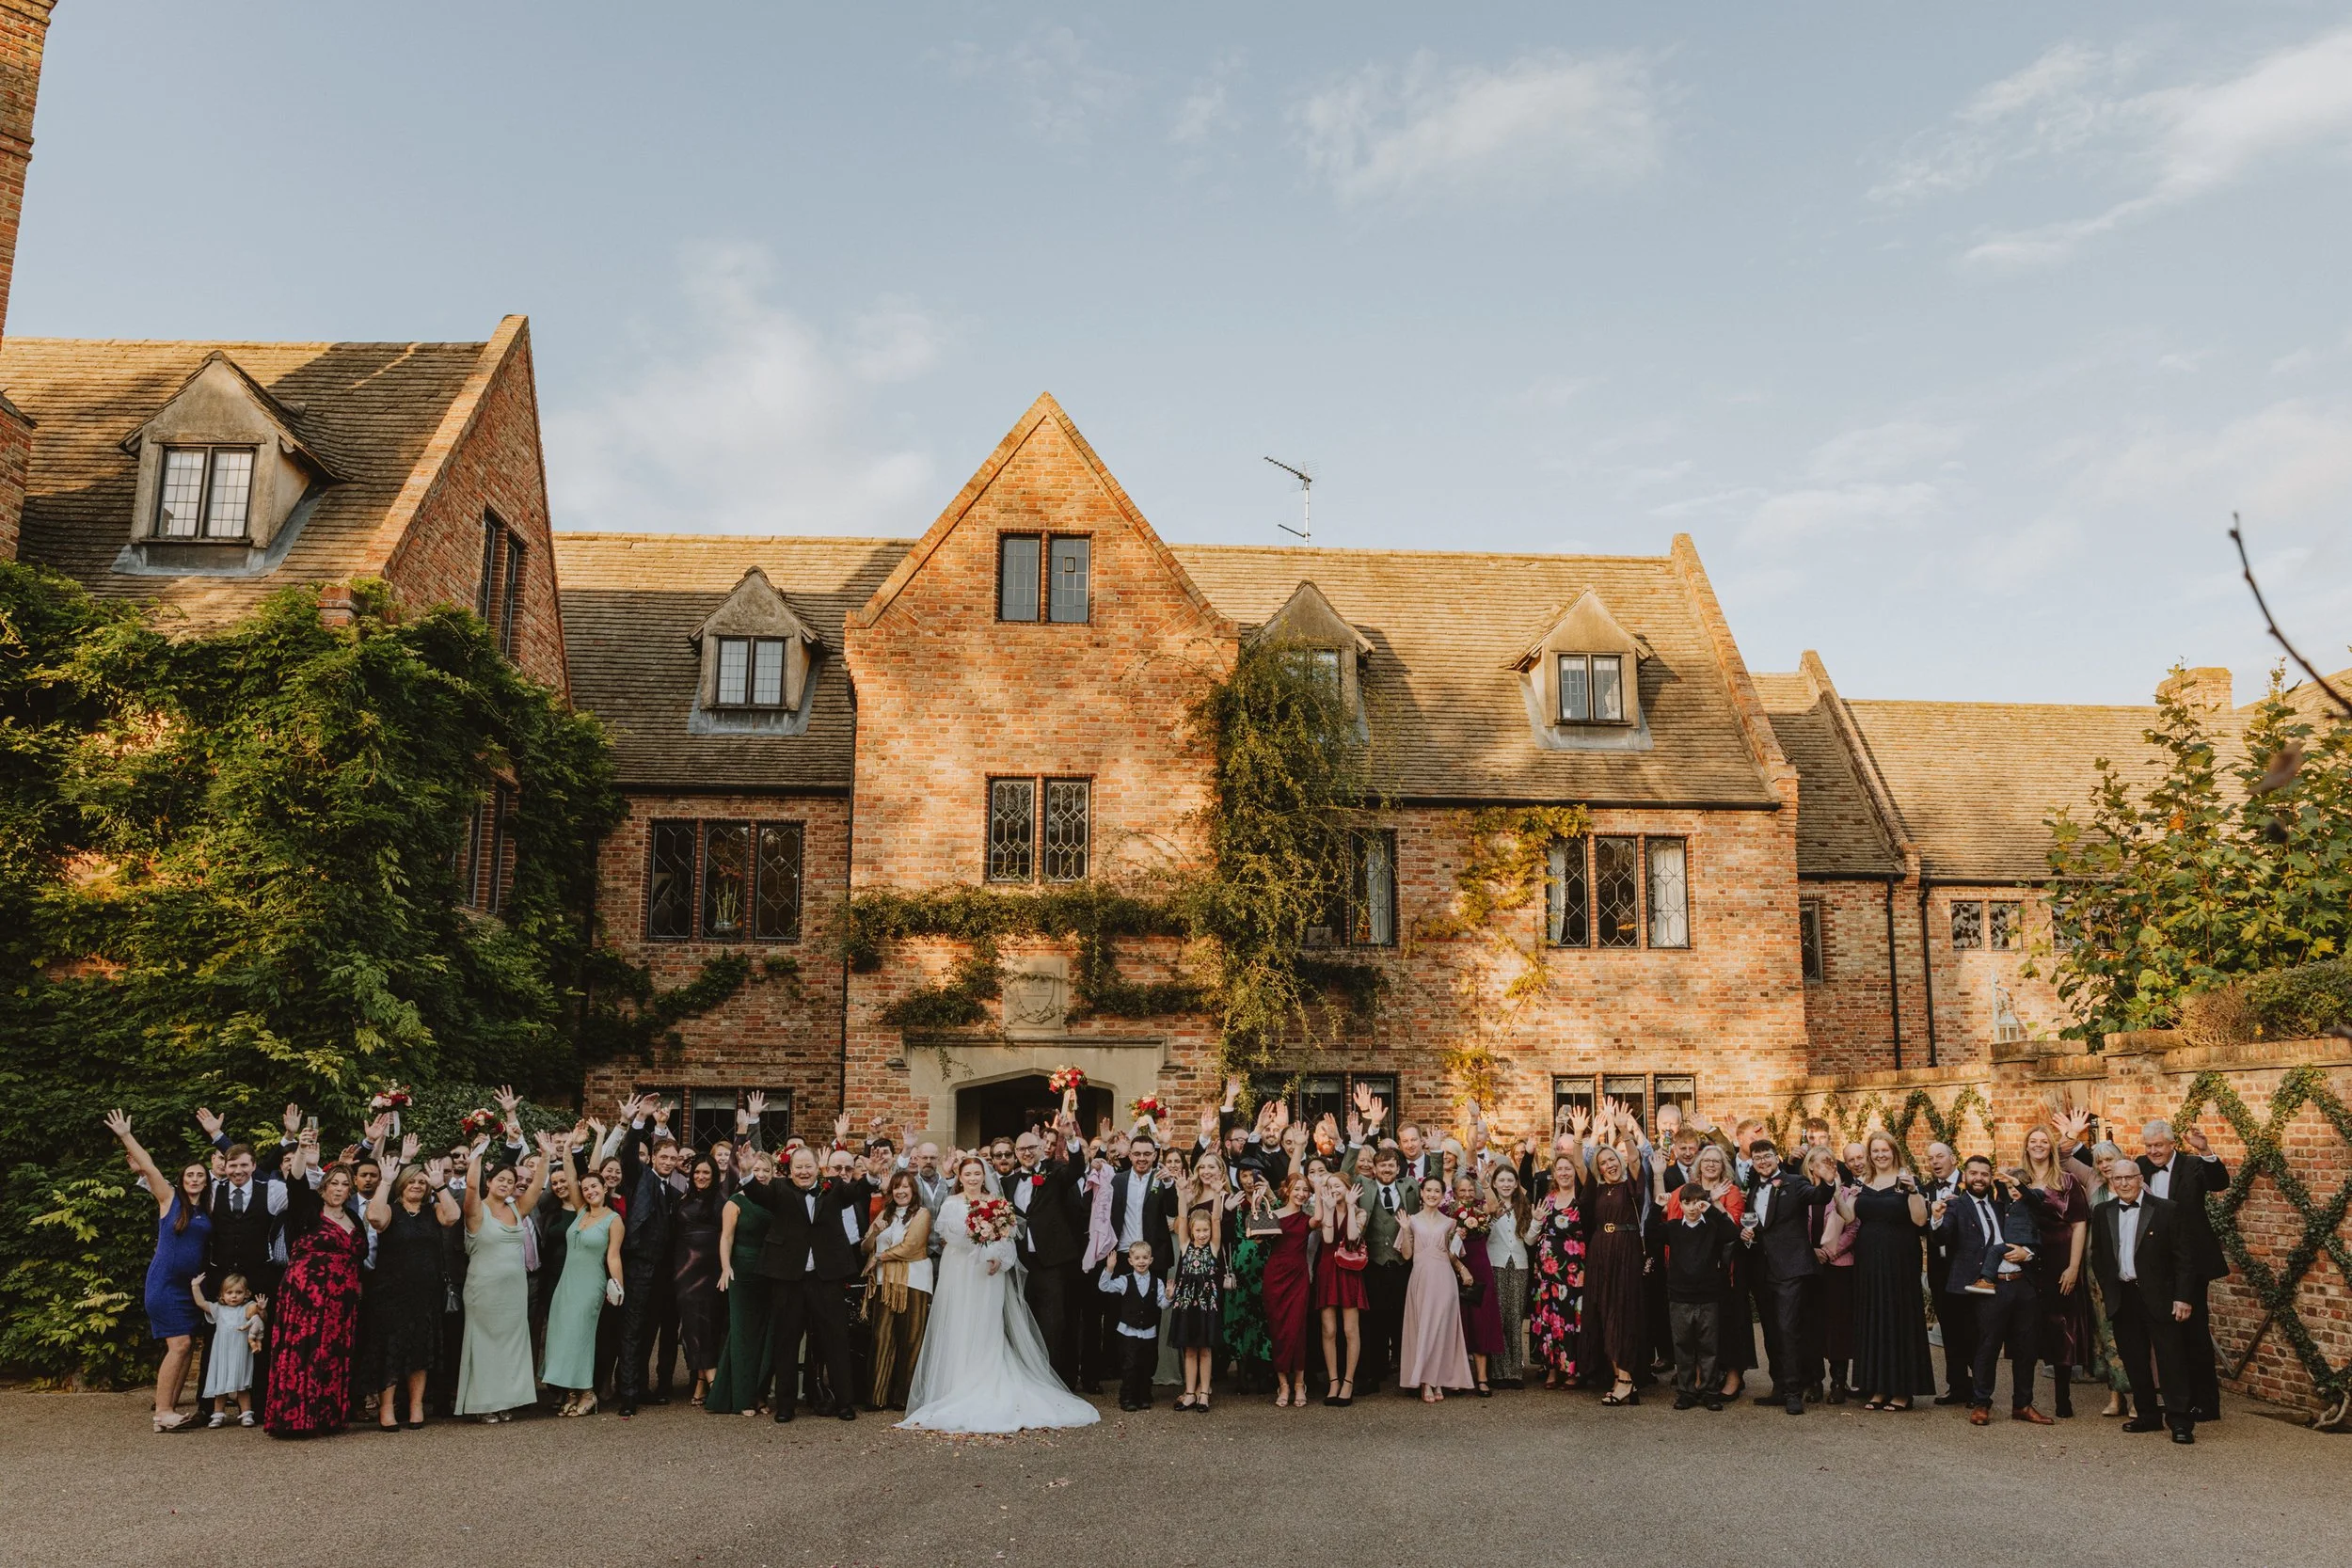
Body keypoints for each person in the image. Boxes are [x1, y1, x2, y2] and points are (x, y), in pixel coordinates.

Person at [899, 1153, 1099, 1433]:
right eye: (967, 1174)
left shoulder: (998, 1204)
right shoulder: (952, 1203)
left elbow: (1007, 1239)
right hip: (960, 1271)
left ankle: (987, 1373)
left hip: (988, 1275)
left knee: (986, 1324)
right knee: (961, 1322)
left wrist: (997, 1258)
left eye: (977, 1174)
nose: (972, 1179)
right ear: (960, 1177)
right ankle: (956, 1381)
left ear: (984, 1176)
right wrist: (975, 1240)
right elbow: (946, 1235)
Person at [739, 1140, 873, 1423]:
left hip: (826, 1278)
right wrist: (747, 1172)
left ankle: (844, 1403)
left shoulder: (833, 1187)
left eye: (808, 1167)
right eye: (798, 1167)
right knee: (786, 1341)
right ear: (789, 1170)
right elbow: (755, 1194)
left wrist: (871, 1175)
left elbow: (858, 1191)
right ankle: (786, 1406)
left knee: (836, 1340)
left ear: (817, 1169)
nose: (803, 1172)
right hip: (789, 1278)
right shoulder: (778, 1189)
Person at [103, 1110, 212, 1432]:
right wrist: (125, 1135)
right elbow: (148, 1165)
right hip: (164, 1285)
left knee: (186, 1345)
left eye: (200, 1176)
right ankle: (163, 1412)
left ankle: (171, 1410)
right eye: (189, 1175)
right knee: (178, 1346)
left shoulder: (206, 1210)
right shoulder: (169, 1199)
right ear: (181, 1180)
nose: (194, 1179)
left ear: (206, 1182)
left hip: (189, 1289)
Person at [263, 1123, 368, 1438]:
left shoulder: (354, 1218)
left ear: (350, 1190)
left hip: (341, 1302)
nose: (339, 1188)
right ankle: (295, 1419)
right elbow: (295, 1180)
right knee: (304, 1352)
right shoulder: (307, 1209)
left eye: (344, 1184)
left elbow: (359, 1255)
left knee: (331, 1354)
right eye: (333, 1183)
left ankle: (327, 1417)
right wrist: (303, 1150)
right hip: (306, 1296)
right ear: (324, 1187)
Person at [1933, 1156, 2051, 1426]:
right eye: (1973, 1173)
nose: (1978, 1178)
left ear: (1990, 1179)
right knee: (1987, 1346)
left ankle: (2023, 1404)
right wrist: (1937, 1219)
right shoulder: (1957, 1206)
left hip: (2022, 1282)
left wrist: (2029, 1253)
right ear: (1965, 1177)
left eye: (1984, 1174)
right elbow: (1943, 1237)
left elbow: (2034, 1228)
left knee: (2026, 1347)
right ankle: (1981, 1402)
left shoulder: (2004, 1204)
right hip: (1989, 1286)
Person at [2089, 1157, 2199, 1444]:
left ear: (2140, 1179)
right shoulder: (2103, 1212)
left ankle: (2179, 1421)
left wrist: (2183, 1298)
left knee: (2170, 1359)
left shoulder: (2166, 1210)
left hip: (2160, 1297)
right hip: (2123, 1296)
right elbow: (2098, 1256)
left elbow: (2184, 1259)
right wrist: (2108, 1289)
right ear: (2112, 1182)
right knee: (2134, 1359)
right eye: (2118, 1179)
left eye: (2129, 1178)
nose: (2123, 1183)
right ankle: (2147, 1415)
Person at [454, 1132, 552, 1422]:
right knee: (485, 1344)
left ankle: (507, 1400)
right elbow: (471, 1184)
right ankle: (484, 1404)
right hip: (483, 1289)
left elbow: (536, 1187)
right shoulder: (476, 1210)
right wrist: (478, 1153)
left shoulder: (517, 1208)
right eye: (501, 1180)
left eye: (510, 1181)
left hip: (514, 1289)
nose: (507, 1185)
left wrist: (546, 1155)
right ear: (490, 1182)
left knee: (511, 1343)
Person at [2137, 1118, 2230, 1422]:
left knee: (2195, 1332)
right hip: (2157, 1261)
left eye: (2159, 1145)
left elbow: (2220, 1183)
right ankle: (2180, 1399)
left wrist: (2206, 1151)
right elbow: (2106, 1170)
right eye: (2149, 1146)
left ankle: (2206, 1404)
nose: (2153, 1151)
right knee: (2166, 1333)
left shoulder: (2192, 1165)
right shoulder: (2140, 1166)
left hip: (2192, 1261)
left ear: (2172, 1144)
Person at [1838, 1130, 1936, 1410]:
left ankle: (1902, 1390)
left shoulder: (1907, 1182)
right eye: (1875, 1151)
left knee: (1899, 1317)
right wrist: (1838, 1193)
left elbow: (1919, 1221)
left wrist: (1914, 1191)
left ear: (1894, 1152)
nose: (1880, 1155)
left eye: (1885, 1150)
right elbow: (1849, 1217)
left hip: (1900, 1257)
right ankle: (1878, 1387)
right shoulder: (1863, 1182)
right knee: (1874, 1317)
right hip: (1869, 1258)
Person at [365, 1143, 459, 1429]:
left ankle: (417, 1406)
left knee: (420, 1349)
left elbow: (453, 1216)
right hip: (391, 1294)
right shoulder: (391, 1210)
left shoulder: (433, 1211)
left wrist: (440, 1186)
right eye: (412, 1181)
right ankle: (387, 1409)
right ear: (402, 1184)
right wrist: (387, 1181)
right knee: (392, 1350)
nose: (417, 1185)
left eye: (421, 1182)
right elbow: (374, 1217)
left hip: (425, 1293)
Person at [1743, 1137, 1832, 1416]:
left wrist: (1828, 1182)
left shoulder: (1794, 1183)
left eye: (1767, 1156)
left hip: (1791, 1268)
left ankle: (1795, 1392)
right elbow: (1759, 1224)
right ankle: (1779, 1387)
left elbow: (1818, 1197)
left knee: (1788, 1329)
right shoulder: (1754, 1188)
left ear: (1776, 1156)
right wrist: (1747, 1234)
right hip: (1762, 1269)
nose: (1763, 1162)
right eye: (1758, 1159)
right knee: (1770, 1331)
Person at [544, 1129, 623, 1417]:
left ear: (604, 1189)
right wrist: (568, 1148)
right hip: (566, 1285)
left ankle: (589, 1393)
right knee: (565, 1336)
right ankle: (574, 1392)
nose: (590, 1191)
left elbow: (613, 1257)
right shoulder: (580, 1212)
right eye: (586, 1188)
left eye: (595, 1187)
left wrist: (618, 1288)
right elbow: (569, 1170)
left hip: (591, 1285)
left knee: (583, 1338)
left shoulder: (613, 1220)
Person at [612, 1095, 682, 1417]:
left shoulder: (674, 1191)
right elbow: (628, 1154)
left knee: (649, 1331)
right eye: (664, 1157)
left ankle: (640, 1387)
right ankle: (626, 1394)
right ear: (653, 1157)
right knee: (632, 1329)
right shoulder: (640, 1177)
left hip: (662, 1272)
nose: (668, 1162)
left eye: (673, 1158)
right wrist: (640, 1121)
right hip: (638, 1265)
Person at [2021, 1120, 2091, 1417]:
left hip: (2060, 1259)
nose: (2038, 1145)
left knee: (2063, 1325)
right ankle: (2023, 1399)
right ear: (2026, 1146)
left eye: (2043, 1141)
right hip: (2027, 1261)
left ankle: (2063, 1399)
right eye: (2033, 1141)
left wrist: (2074, 1266)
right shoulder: (2017, 1180)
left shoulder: (2066, 1181)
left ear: (2051, 1147)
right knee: (2027, 1327)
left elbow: (2079, 1224)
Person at [1581, 1117, 1648, 1405]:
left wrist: (1624, 1132)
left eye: (1612, 1159)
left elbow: (1634, 1159)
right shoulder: (1596, 1189)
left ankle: (1627, 1379)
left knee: (1622, 1312)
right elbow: (1576, 1163)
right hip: (1600, 1253)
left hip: (1626, 1250)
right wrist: (1579, 1137)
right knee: (1603, 1312)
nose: (1609, 1164)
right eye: (1603, 1162)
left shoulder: (1630, 1185)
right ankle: (1617, 1377)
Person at [1344, 1138, 1417, 1395]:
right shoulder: (1363, 1186)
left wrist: (1437, 1152)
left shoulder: (1409, 1187)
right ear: (1374, 1169)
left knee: (1402, 1320)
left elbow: (1436, 1180)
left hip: (1401, 1263)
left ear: (1398, 1169)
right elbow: (1345, 1170)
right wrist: (1354, 1142)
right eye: (1382, 1165)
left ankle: (1407, 1378)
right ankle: (1370, 1376)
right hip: (1372, 1264)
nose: (1386, 1169)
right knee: (1371, 1322)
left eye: (1391, 1165)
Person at [708, 1149, 777, 1416]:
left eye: (765, 1171)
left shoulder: (774, 1201)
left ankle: (760, 1394)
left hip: (770, 1274)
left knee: (766, 1335)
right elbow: (726, 1238)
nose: (760, 1175)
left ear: (773, 1175)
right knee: (742, 1334)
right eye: (756, 1170)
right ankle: (742, 1398)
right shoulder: (734, 1202)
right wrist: (726, 1267)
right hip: (742, 1272)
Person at [1395, 1174, 1472, 1402]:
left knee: (1442, 1329)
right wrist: (1406, 1230)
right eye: (1428, 1190)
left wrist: (1459, 1238)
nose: (1432, 1194)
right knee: (1424, 1328)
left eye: (1436, 1191)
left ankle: (1438, 1380)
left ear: (1442, 1195)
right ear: (1421, 1193)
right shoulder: (1411, 1220)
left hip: (1444, 1279)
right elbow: (1407, 1255)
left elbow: (1452, 1255)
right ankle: (1425, 1381)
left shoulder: (1451, 1223)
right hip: (1421, 1278)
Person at [863, 1170, 934, 1411]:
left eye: (906, 1187)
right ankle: (877, 1396)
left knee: (911, 1339)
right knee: (882, 1337)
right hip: (885, 1283)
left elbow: (912, 1246)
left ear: (914, 1191)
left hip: (914, 1281)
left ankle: (903, 1397)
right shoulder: (886, 1214)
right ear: (891, 1191)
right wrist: (874, 1231)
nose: (901, 1191)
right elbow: (865, 1247)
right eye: (896, 1187)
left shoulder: (922, 1214)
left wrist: (880, 1257)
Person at [1661, 1182, 1737, 1409]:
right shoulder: (1673, 1227)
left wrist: (1711, 1207)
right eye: (1687, 1202)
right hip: (1680, 1297)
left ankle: (1709, 1390)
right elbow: (1651, 1233)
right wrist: (1658, 1208)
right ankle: (1686, 1391)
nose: (1693, 1207)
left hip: (1708, 1297)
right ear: (1681, 1204)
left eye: (1697, 1202)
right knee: (1682, 1346)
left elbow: (1732, 1233)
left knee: (1708, 1347)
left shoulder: (1712, 1226)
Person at [1915, 1140, 1972, 1404]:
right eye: (1930, 1158)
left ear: (1953, 1159)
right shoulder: (1925, 1191)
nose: (1935, 1162)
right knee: (1948, 1327)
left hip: (1967, 1265)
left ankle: (1979, 1387)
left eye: (1940, 1156)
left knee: (1971, 1327)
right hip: (1939, 1268)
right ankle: (1957, 1384)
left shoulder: (1968, 1185)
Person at [1526, 1146, 1586, 1389]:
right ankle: (1551, 1370)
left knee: (1570, 1319)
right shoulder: (1546, 1201)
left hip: (1573, 1271)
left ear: (1575, 1171)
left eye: (1568, 1168)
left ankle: (1572, 1371)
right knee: (1549, 1318)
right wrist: (1536, 1220)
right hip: (1547, 1271)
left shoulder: (1581, 1201)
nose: (1563, 1173)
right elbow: (1530, 1239)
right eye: (1559, 1169)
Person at [672, 1153, 727, 1406]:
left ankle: (704, 1382)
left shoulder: (722, 1201)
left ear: (714, 1175)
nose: (701, 1177)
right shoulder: (683, 1199)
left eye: (706, 1173)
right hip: (685, 1270)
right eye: (697, 1173)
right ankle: (708, 1380)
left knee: (709, 1324)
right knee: (691, 1325)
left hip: (712, 1269)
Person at [1258, 1170, 1315, 1408]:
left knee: (1298, 1329)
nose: (1301, 1194)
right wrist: (1258, 1207)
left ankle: (1300, 1383)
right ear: (1288, 1190)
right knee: (1278, 1329)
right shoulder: (1273, 1214)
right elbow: (1258, 1239)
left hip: (1299, 1276)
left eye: (1306, 1190)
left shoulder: (1307, 1218)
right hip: (1275, 1275)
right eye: (1298, 1189)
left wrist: (1319, 1191)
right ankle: (1283, 1384)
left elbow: (1320, 1219)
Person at [1312, 1168, 1367, 1406]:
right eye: (1330, 1187)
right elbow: (1327, 1239)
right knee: (1329, 1330)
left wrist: (1352, 1207)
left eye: (1338, 1187)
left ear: (1348, 1188)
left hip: (1349, 1271)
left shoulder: (1360, 1211)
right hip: (1327, 1270)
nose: (1334, 1191)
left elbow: (1353, 1238)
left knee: (1350, 1330)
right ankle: (1333, 1380)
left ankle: (1348, 1381)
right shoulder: (1326, 1209)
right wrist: (1330, 1209)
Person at [1167, 1206, 1225, 1411]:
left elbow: (1216, 1219)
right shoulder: (1184, 1246)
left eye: (1205, 1230)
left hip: (1206, 1305)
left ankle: (1204, 1393)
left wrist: (1218, 1195)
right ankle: (1190, 1393)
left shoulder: (1214, 1247)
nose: (1202, 1235)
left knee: (1205, 1350)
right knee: (1190, 1350)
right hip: (1186, 1304)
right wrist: (1181, 1192)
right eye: (1198, 1231)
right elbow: (1182, 1216)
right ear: (1191, 1231)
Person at [1100, 1241, 1168, 1411]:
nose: (1141, 1261)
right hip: (1128, 1332)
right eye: (1137, 1258)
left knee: (1147, 1365)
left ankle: (1144, 1396)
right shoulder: (1124, 1281)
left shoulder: (1157, 1282)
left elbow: (1163, 1305)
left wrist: (1169, 1296)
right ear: (1130, 1261)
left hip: (1148, 1332)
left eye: (1145, 1257)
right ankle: (1127, 1397)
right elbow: (1104, 1286)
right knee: (1129, 1365)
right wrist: (1109, 1269)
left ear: (1151, 1260)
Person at [1450, 1174, 1502, 1397]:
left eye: (1470, 1190)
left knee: (1481, 1321)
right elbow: (1444, 1246)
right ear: (1454, 1193)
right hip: (1455, 1269)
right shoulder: (1448, 1214)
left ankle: (1482, 1378)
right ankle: (1458, 1377)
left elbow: (1494, 1207)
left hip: (1480, 1268)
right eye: (1462, 1191)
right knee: (1459, 1322)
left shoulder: (1481, 1211)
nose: (1467, 1195)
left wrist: (1486, 1185)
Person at [192, 1273, 264, 1426]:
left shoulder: (247, 1308)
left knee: (242, 1384)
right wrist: (195, 1286)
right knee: (221, 1384)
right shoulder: (218, 1309)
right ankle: (218, 1414)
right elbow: (201, 1303)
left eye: (238, 1292)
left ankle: (246, 1413)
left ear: (246, 1294)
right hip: (222, 1353)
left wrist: (261, 1309)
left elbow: (261, 1319)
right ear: (222, 1295)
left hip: (239, 1354)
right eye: (229, 1292)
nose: (234, 1296)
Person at [1485, 1159, 1532, 1388]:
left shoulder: (1524, 1206)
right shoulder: (1488, 1205)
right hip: (1496, 1263)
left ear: (1515, 1184)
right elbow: (1483, 1234)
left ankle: (1515, 1371)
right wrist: (1491, 1216)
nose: (1505, 1184)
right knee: (1499, 1316)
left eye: (1509, 1180)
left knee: (1515, 1317)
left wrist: (1538, 1221)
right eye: (1501, 1180)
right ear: (1494, 1183)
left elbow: (1529, 1239)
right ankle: (1498, 1371)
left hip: (1519, 1264)